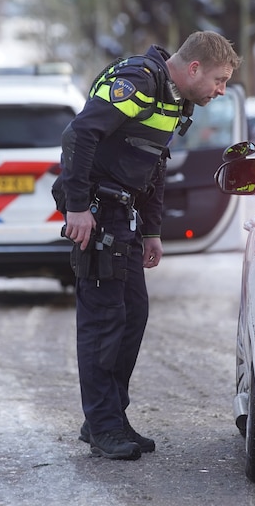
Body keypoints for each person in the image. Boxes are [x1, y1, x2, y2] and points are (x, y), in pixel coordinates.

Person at [52, 31, 239, 460]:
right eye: (219, 79)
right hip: (97, 214)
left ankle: (108, 417)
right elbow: (79, 136)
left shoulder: (174, 98)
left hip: (125, 219)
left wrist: (152, 230)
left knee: (132, 315)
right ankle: (103, 426)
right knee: (103, 322)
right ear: (194, 68)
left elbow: (154, 163)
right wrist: (78, 208)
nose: (221, 90)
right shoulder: (138, 82)